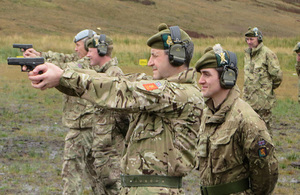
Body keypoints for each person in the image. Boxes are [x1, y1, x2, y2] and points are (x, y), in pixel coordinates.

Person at [25, 23, 204, 194]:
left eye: (155, 56)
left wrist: (64, 77)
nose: (150, 62)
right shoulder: (163, 89)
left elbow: (121, 90)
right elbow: (115, 81)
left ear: (177, 55)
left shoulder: (180, 93)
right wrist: (58, 75)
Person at [24, 29, 104, 195]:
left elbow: (68, 67)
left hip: (83, 126)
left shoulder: (90, 64)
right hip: (91, 126)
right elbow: (63, 59)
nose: (75, 49)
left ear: (89, 45)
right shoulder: (86, 60)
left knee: (71, 172)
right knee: (97, 175)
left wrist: (44, 65)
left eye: (78, 45)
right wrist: (39, 57)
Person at [195, 44, 278, 195]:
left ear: (227, 77)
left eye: (206, 74)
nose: (200, 80)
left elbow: (266, 174)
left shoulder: (247, 120)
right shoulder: (207, 115)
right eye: (201, 74)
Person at [84, 34, 129, 195]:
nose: (87, 54)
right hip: (103, 150)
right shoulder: (102, 73)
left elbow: (124, 114)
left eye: (90, 51)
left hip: (112, 152)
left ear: (102, 51)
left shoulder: (114, 74)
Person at [242, 27, 282, 131]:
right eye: (247, 39)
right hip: (248, 101)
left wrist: (266, 90)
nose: (249, 42)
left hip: (263, 103)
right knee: (250, 131)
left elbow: (277, 76)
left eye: (252, 39)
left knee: (265, 132)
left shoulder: (267, 54)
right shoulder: (247, 54)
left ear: (258, 39)